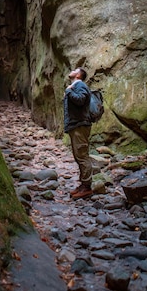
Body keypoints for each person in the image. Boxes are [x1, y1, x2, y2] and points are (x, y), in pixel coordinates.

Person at [64, 67, 93, 200]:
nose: (72, 70)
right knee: (78, 155)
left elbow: (81, 99)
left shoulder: (79, 85)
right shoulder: (75, 86)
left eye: (75, 69)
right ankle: (83, 185)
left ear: (78, 75)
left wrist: (69, 91)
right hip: (76, 125)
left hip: (80, 125)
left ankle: (87, 187)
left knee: (82, 155)